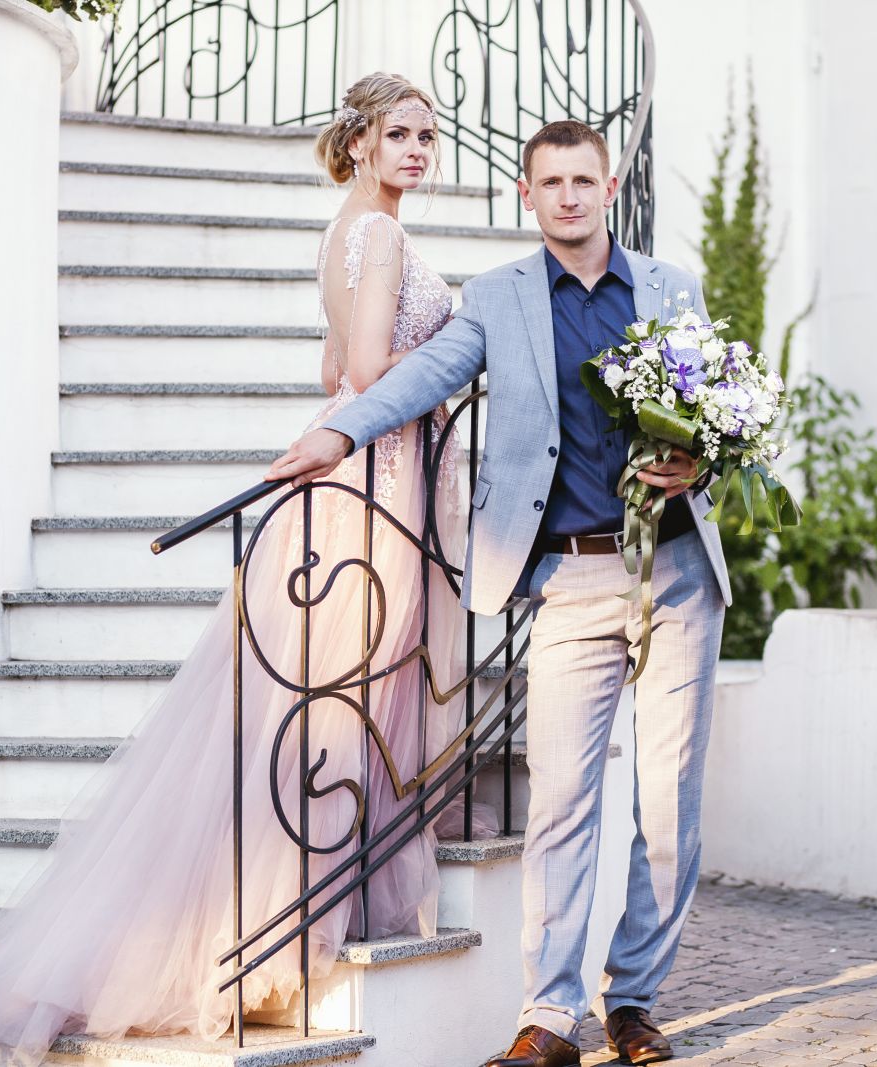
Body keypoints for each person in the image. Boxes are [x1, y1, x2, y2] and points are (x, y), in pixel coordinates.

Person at [0, 72, 493, 1065]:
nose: (418, 150)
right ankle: (285, 919)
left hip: (357, 464)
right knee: (345, 688)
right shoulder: (380, 234)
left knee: (322, 692)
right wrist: (451, 344)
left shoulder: (344, 230)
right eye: (401, 133)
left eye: (428, 136)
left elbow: (330, 374)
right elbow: (367, 375)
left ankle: (296, 900)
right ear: (360, 142)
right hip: (376, 471)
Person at [268, 118, 731, 1067]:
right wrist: (339, 433)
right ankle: (550, 1017)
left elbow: (721, 417)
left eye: (583, 180)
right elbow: (425, 375)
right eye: (550, 182)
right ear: (529, 195)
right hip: (568, 578)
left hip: (678, 572)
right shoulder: (497, 298)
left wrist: (702, 462)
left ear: (609, 188)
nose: (568, 196)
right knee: (560, 803)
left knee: (668, 805)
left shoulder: (672, 287)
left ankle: (632, 1000)